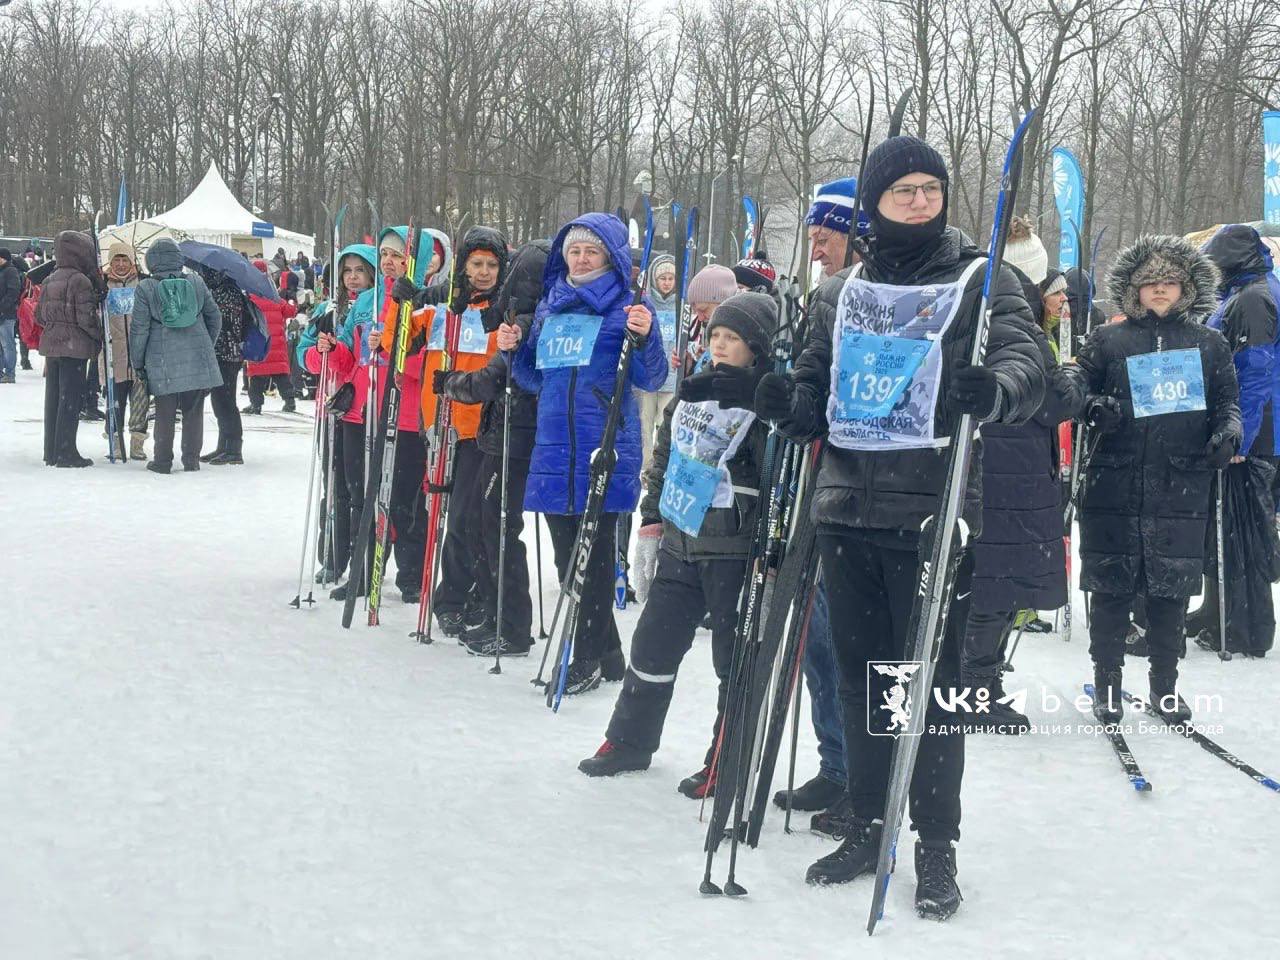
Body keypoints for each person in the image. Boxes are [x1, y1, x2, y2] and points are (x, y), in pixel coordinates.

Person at [754, 135, 1044, 916]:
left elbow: (1030, 360)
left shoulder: (981, 279)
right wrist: (791, 405)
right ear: (875, 205)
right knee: (861, 680)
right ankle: (868, 818)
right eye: (903, 190)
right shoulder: (838, 292)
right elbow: (815, 384)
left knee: (929, 690)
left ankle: (935, 845)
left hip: (932, 513)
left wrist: (998, 388)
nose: (920, 201)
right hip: (847, 507)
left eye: (931, 188)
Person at [579, 291, 775, 790]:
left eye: (734, 339)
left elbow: (777, 475)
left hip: (732, 549)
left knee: (732, 661)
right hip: (679, 539)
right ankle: (628, 741)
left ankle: (726, 757)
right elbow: (664, 456)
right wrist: (650, 520)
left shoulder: (767, 399)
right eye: (716, 337)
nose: (721, 346)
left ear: (756, 348)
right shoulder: (691, 390)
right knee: (652, 647)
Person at [1065, 234, 1242, 723]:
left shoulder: (1209, 342)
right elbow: (1077, 383)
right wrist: (1089, 404)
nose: (1160, 290)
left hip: (1181, 482)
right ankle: (1107, 681)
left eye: (1170, 282)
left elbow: (1228, 400)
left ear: (1186, 287)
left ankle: (1166, 684)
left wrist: (1229, 432)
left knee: (1171, 589)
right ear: (1133, 290)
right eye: (1151, 283)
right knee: (1110, 588)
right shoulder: (1108, 339)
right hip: (1114, 480)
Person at [513, 213, 668, 695]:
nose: (581, 259)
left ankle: (585, 658)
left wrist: (645, 336)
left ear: (611, 258)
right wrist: (514, 350)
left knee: (595, 560)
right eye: (574, 251)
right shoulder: (550, 305)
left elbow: (652, 378)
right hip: (555, 446)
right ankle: (609, 652)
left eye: (592, 251)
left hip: (604, 445)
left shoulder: (629, 307)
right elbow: (531, 378)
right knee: (567, 558)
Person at [962, 265, 1084, 733]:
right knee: (997, 584)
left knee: (986, 582)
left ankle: (976, 679)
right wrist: (1072, 378)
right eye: (1055, 296)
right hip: (1012, 475)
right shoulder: (1025, 333)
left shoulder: (982, 323)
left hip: (997, 469)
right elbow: (1054, 402)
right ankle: (977, 688)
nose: (1063, 305)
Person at [388, 225, 509, 615]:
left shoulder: (502, 311)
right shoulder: (440, 307)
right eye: (476, 263)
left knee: (463, 521)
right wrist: (401, 304)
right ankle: (454, 595)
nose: (484, 272)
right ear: (464, 266)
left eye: (492, 264)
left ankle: (457, 598)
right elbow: (398, 344)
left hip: (480, 432)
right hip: (439, 428)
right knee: (438, 515)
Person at [435, 239, 547, 655]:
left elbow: (492, 379)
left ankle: (512, 623)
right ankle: (495, 611)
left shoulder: (527, 322)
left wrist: (449, 383)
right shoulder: (514, 317)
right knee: (486, 524)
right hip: (498, 430)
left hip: (513, 435)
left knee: (497, 527)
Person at [1190, 224, 1278, 658]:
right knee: (1223, 528)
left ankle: (1247, 627)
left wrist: (1239, 435)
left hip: (1256, 432)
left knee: (1243, 532)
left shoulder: (1253, 299)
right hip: (1247, 425)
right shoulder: (1244, 293)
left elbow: (1256, 370)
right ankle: (1216, 609)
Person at [298, 243, 377, 595]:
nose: (353, 277)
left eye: (360, 270)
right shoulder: (326, 310)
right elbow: (304, 354)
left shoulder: (376, 308)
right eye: (347, 271)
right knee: (334, 485)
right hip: (331, 404)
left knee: (356, 485)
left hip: (363, 409)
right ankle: (331, 554)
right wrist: (319, 353)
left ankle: (361, 555)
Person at [128, 239, 223, 474]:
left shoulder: (146, 287)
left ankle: (162, 461)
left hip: (161, 358)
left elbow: (140, 329)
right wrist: (206, 345)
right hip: (197, 354)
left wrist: (137, 362)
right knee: (193, 411)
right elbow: (215, 317)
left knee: (164, 411)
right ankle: (191, 460)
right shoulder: (196, 282)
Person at [37, 231, 105, 466]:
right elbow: (85, 318)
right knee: (70, 400)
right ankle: (66, 451)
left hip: (52, 345)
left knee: (54, 399)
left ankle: (52, 449)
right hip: (74, 347)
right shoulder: (80, 281)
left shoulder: (50, 278)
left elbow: (40, 315)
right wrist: (99, 336)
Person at [635, 254, 678, 473]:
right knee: (645, 424)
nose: (667, 282)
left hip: (671, 379)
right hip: (648, 379)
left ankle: (659, 469)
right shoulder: (646, 304)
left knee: (664, 425)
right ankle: (644, 466)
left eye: (671, 278)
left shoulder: (681, 307)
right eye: (663, 278)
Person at [242, 259, 300, 414]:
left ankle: (256, 405)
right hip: (277, 342)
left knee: (256, 376)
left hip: (259, 341)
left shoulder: (250, 295)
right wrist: (292, 301)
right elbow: (290, 311)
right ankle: (290, 401)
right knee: (281, 373)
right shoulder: (273, 294)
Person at [101, 243, 142, 460]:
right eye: (116, 259)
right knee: (115, 401)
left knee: (140, 402)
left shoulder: (142, 282)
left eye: (125, 259)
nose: (121, 264)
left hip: (138, 352)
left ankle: (137, 443)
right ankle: (115, 441)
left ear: (132, 261)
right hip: (113, 351)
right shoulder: (103, 284)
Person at [0, 247, 21, 383]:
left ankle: (10, 373)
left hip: (6, 314)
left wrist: (2, 307)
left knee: (7, 344)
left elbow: (13, 292)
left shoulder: (11, 271)